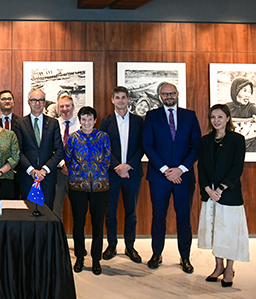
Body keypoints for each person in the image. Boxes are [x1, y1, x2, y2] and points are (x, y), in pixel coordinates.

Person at [142, 82, 201, 273]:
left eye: (171, 93)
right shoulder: (151, 116)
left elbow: (196, 146)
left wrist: (181, 169)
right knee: (158, 217)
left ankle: (185, 257)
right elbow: (148, 145)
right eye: (165, 94)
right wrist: (167, 170)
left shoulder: (189, 116)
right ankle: (156, 254)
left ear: (177, 94)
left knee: (184, 218)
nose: (169, 96)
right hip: (160, 177)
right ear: (160, 95)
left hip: (184, 177)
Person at [197, 104, 249, 288]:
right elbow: (201, 167)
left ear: (228, 118)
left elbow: (237, 167)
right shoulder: (205, 141)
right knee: (215, 232)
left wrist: (220, 188)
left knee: (229, 232)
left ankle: (229, 269)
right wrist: (207, 189)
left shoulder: (237, 139)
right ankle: (218, 266)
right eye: (213, 117)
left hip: (229, 194)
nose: (216, 120)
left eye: (220, 117)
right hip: (210, 194)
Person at [99, 86, 144, 263]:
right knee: (110, 211)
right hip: (112, 173)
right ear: (112, 100)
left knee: (131, 212)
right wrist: (117, 166)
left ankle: (130, 246)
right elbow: (103, 146)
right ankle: (111, 245)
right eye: (117, 98)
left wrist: (128, 166)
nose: (120, 101)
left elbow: (143, 145)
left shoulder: (138, 121)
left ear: (128, 99)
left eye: (123, 97)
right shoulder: (105, 121)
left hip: (132, 173)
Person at [66, 106, 110, 276]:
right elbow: (68, 159)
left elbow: (106, 159)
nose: (86, 123)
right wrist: (81, 174)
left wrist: (95, 175)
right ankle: (79, 256)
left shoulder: (103, 137)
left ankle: (97, 259)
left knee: (98, 224)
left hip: (100, 187)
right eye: (83, 119)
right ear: (79, 120)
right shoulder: (72, 138)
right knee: (78, 223)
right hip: (77, 186)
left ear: (95, 120)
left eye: (90, 119)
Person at [14, 88, 64, 209]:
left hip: (47, 178)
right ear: (29, 102)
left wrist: (44, 170)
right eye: (34, 100)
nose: (37, 103)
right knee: (28, 215)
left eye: (40, 100)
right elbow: (17, 151)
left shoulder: (53, 123)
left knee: (47, 214)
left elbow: (59, 150)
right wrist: (32, 170)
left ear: (44, 102)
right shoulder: (19, 123)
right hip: (27, 177)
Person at [53, 94, 79, 218]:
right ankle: (57, 238)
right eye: (61, 106)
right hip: (58, 172)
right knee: (56, 208)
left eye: (67, 105)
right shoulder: (53, 125)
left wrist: (71, 166)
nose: (64, 109)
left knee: (78, 209)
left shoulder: (81, 124)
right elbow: (50, 148)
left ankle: (79, 238)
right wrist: (62, 164)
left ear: (73, 107)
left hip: (77, 172)